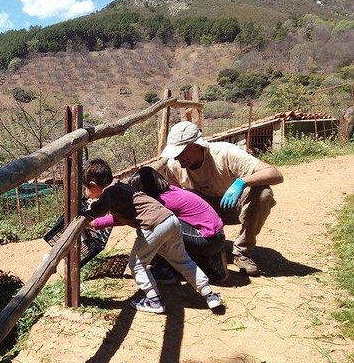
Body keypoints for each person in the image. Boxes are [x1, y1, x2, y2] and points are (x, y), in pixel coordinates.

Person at [82, 158, 223, 313]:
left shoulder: (109, 192)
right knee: (182, 260)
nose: (85, 193)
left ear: (93, 185)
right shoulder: (120, 186)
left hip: (154, 226)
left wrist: (88, 211)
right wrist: (96, 223)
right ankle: (209, 294)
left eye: (85, 188)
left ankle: (154, 301)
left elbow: (99, 210)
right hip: (171, 221)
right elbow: (122, 216)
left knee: (136, 265)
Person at [155, 121, 284, 276]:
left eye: (182, 151)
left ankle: (242, 252)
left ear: (197, 145)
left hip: (232, 206)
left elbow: (275, 174)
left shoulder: (225, 153)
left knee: (263, 194)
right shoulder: (174, 166)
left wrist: (242, 182)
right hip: (201, 212)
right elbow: (174, 198)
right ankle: (203, 250)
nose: (177, 156)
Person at [127, 166, 228, 283]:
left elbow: (128, 217)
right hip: (217, 236)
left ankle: (163, 271)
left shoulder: (162, 201)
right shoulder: (171, 191)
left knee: (154, 224)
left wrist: (101, 218)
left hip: (208, 241)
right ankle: (210, 263)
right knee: (167, 225)